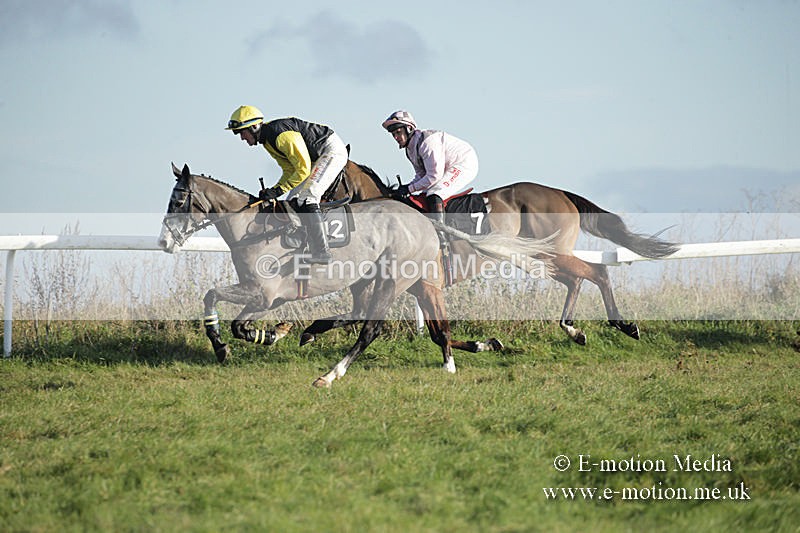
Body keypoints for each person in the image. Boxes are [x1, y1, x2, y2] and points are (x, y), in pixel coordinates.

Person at [226, 105, 348, 264]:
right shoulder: (267, 142)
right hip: (314, 159)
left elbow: (302, 170)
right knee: (293, 202)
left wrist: (278, 191)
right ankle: (304, 245)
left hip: (330, 151)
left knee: (308, 198)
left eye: (242, 132)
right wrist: (274, 190)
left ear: (254, 127)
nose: (242, 138)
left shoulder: (279, 135)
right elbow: (290, 170)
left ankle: (322, 252)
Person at [381, 110, 479, 224]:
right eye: (393, 134)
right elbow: (421, 175)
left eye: (398, 132)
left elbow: (434, 176)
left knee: (435, 193)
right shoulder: (410, 150)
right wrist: (407, 187)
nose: (396, 137)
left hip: (464, 162)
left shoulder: (427, 143)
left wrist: (410, 188)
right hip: (446, 167)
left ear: (409, 128)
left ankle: (441, 231)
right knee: (425, 195)